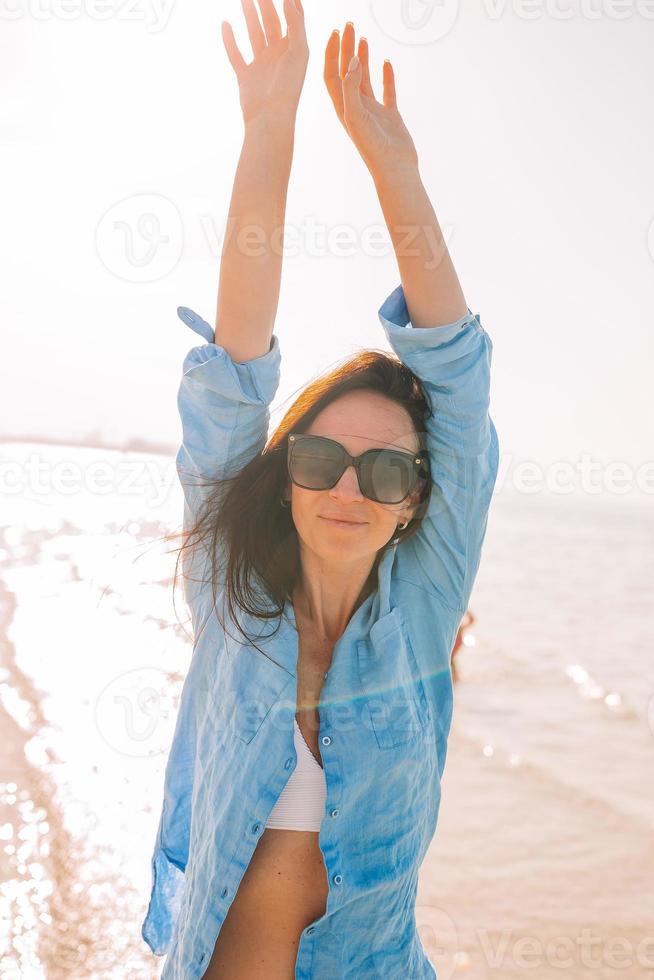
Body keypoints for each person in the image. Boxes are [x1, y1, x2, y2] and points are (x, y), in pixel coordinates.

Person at [141, 3, 499, 978]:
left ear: (415, 499)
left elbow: (460, 386)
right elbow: (235, 362)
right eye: (319, 457)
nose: (348, 486)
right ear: (285, 466)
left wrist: (396, 172)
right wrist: (271, 129)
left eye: (385, 468)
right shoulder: (232, 594)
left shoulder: (423, 615)